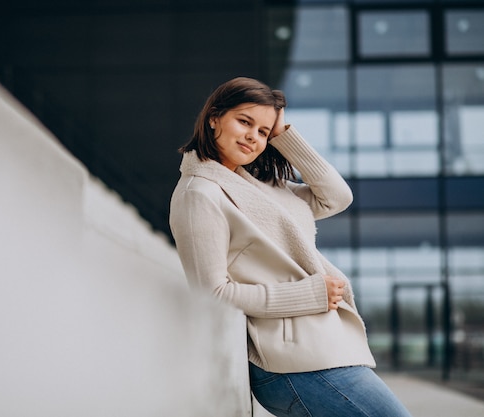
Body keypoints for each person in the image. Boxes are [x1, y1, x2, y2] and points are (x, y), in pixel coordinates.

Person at [169, 77, 412, 417]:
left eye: (264, 132)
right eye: (244, 122)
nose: (254, 136)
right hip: (288, 362)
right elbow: (212, 293)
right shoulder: (199, 194)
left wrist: (285, 135)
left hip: (320, 349)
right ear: (214, 118)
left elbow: (337, 197)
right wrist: (308, 294)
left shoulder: (259, 186)